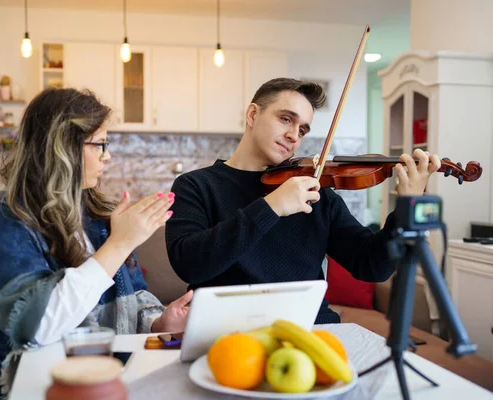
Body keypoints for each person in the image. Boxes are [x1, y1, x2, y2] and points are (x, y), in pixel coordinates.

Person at [0, 88, 192, 399]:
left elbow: (131, 300)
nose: (107, 155)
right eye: (100, 145)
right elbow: (34, 326)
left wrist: (159, 321)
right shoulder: (4, 217)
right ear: (63, 147)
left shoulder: (96, 216)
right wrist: (120, 245)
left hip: (99, 385)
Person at [165, 77, 441, 324]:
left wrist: (407, 205)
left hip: (311, 328)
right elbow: (190, 264)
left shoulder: (315, 193)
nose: (294, 136)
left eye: (303, 129)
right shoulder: (196, 186)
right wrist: (272, 207)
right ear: (252, 114)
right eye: (286, 119)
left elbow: (372, 266)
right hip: (227, 332)